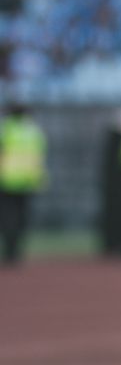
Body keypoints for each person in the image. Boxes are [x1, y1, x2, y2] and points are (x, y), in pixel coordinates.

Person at [0, 101, 47, 263]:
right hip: (28, 179)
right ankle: (17, 251)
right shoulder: (34, 131)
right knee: (22, 216)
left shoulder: (5, 129)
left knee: (7, 216)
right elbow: (40, 155)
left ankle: (10, 251)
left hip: (6, 179)